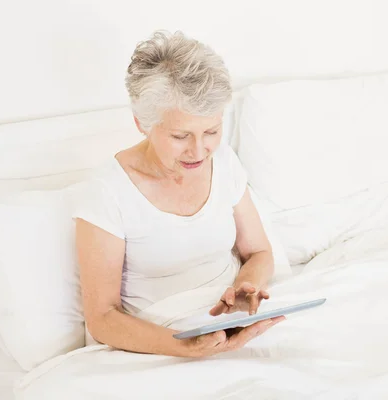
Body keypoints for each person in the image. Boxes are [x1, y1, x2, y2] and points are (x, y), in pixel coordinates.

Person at [73, 30, 283, 358]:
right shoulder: (107, 193)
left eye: (211, 131)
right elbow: (102, 318)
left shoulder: (224, 161)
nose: (199, 150)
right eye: (181, 135)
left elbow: (258, 252)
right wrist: (185, 345)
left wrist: (247, 286)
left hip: (227, 324)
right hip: (158, 341)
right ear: (142, 123)